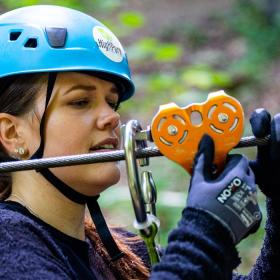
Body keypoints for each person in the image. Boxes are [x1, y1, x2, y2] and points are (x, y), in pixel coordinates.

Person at [0, 5, 262, 280]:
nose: (112, 117)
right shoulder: (8, 241)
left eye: (112, 102)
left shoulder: (119, 251)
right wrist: (204, 235)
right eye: (80, 102)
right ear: (12, 133)